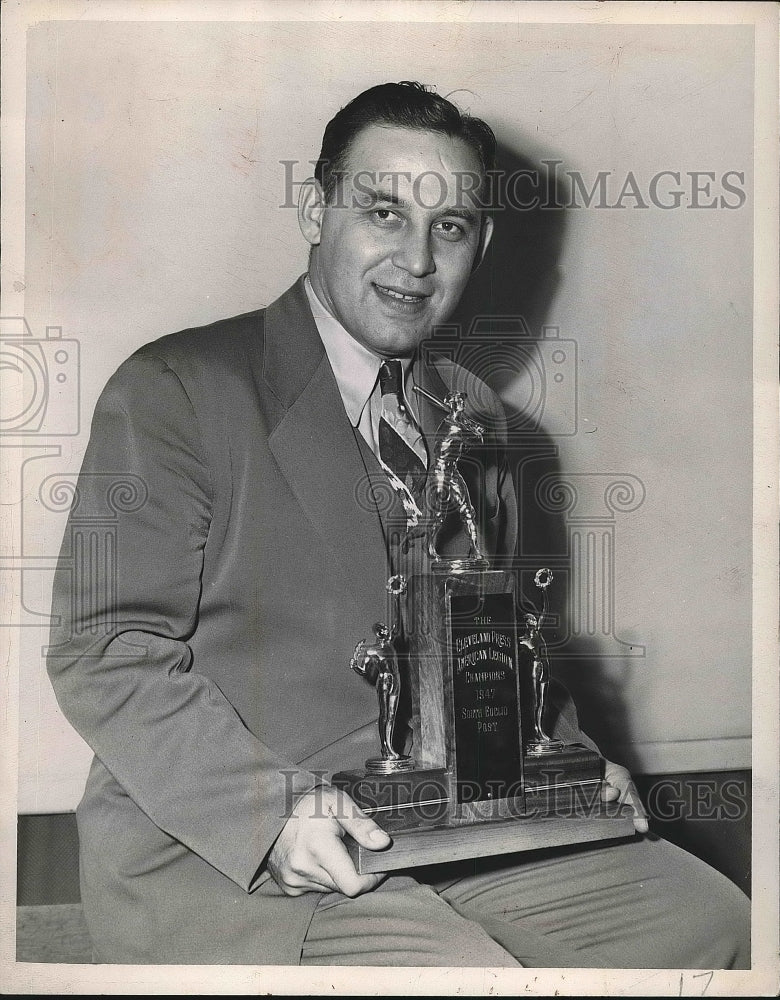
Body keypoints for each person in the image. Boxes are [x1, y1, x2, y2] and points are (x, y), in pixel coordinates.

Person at [47, 81, 750, 967]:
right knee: (457, 976)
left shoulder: (477, 413)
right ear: (316, 210)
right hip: (234, 851)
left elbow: (495, 636)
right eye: (383, 212)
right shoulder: (177, 390)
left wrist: (566, 758)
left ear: (479, 244)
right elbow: (104, 649)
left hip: (456, 824)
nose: (416, 259)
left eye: (448, 226)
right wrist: (270, 815)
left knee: (717, 925)